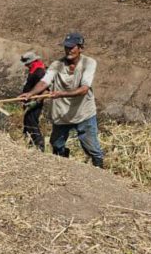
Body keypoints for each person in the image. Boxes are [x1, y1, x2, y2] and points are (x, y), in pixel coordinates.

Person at [17, 33, 104, 168]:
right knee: (56, 144)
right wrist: (30, 94)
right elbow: (45, 82)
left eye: (72, 47)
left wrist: (61, 94)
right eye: (66, 47)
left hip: (83, 112)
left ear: (80, 48)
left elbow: (84, 89)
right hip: (62, 113)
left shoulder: (89, 63)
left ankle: (99, 169)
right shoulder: (57, 65)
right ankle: (64, 166)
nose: (69, 50)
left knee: (92, 147)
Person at [19, 51, 47, 151]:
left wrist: (35, 101)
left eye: (27, 64)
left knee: (32, 123)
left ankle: (39, 146)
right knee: (27, 122)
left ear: (32, 61)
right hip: (29, 101)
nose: (26, 66)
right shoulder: (34, 69)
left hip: (35, 103)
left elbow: (45, 90)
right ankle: (29, 144)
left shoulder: (40, 72)